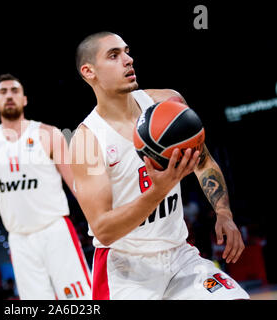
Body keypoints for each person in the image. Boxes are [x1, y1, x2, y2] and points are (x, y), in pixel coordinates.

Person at [70, 31, 249, 299]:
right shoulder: (87, 140)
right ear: (89, 71)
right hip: (126, 270)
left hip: (179, 256)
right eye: (114, 55)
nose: (128, 60)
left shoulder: (167, 102)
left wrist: (224, 212)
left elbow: (203, 160)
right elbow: (103, 230)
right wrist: (157, 191)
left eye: (127, 52)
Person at [0, 74, 92, 300]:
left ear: (25, 99)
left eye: (14, 91)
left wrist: (98, 221)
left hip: (55, 231)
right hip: (19, 240)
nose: (9, 96)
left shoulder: (48, 134)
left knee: (79, 300)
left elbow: (76, 185)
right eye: (3, 92)